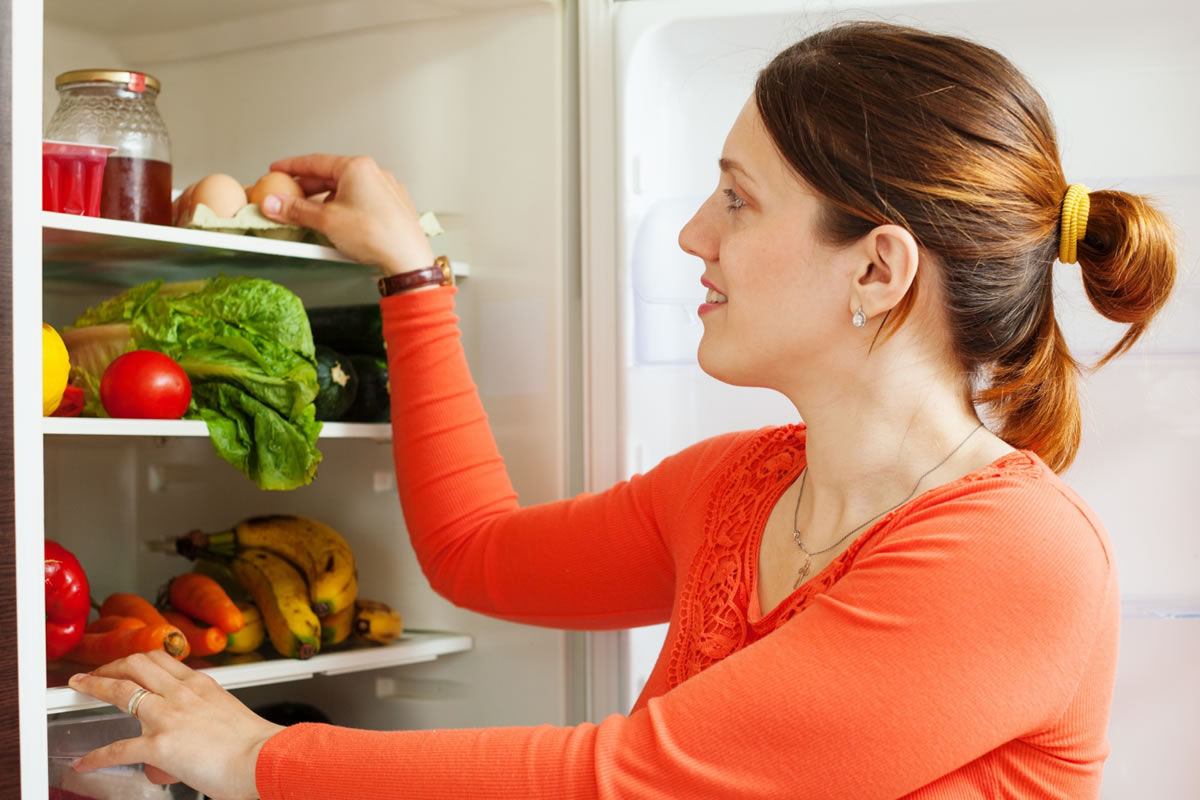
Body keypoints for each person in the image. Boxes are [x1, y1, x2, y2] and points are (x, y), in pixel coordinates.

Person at [67, 20, 1177, 800]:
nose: (694, 233)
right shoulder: (740, 486)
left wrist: (260, 757)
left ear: (878, 269)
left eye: (737, 199)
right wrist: (413, 276)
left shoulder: (1013, 554)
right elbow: (476, 554)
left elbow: (633, 781)